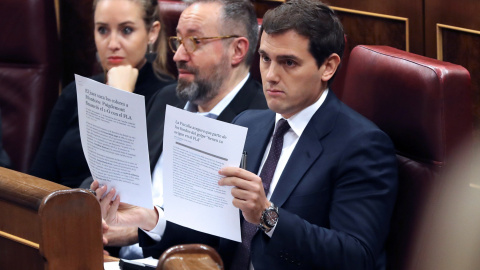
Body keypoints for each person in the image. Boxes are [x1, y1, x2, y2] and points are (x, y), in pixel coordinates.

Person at [95, 1, 398, 268]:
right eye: (265, 59)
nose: (271, 75)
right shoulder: (250, 124)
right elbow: (213, 229)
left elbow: (357, 256)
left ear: (328, 67)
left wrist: (268, 216)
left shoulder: (362, 144)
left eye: (288, 63)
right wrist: (151, 219)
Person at [92, 0, 267, 260]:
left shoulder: (262, 122)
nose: (178, 56)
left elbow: (229, 238)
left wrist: (138, 230)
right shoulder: (165, 99)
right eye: (178, 41)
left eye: (194, 42)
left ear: (237, 50)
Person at [29, 0, 174, 188]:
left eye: (127, 30)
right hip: (59, 211)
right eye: (103, 30)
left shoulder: (170, 99)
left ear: (152, 32)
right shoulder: (75, 92)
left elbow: (128, 186)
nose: (112, 44)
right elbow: (36, 181)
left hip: (117, 214)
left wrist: (121, 100)